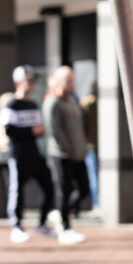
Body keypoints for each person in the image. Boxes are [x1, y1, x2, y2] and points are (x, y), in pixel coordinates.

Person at [1, 65, 54, 244]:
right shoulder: (11, 105)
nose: (32, 84)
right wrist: (31, 131)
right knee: (17, 192)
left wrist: (37, 131)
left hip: (35, 154)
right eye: (28, 80)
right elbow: (8, 130)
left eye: (33, 81)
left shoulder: (33, 104)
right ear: (18, 82)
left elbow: (39, 128)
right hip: (18, 155)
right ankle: (16, 227)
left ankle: (42, 224)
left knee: (49, 186)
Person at [42, 65, 89, 245]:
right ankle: (65, 227)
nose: (70, 83)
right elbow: (54, 131)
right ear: (58, 80)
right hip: (61, 155)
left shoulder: (72, 100)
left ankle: (59, 214)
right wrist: (68, 150)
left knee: (83, 188)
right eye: (67, 80)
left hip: (78, 154)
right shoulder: (52, 101)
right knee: (64, 189)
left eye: (72, 80)